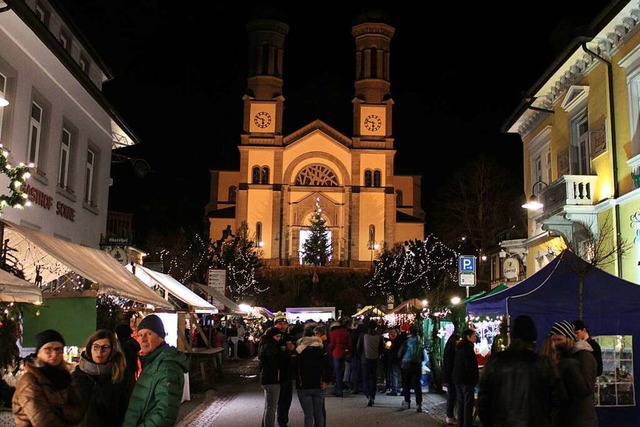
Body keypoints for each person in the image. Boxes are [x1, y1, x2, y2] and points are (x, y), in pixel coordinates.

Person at [478, 315, 567, 427]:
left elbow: (483, 402)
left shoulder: (494, 362)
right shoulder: (544, 364)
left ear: (513, 336)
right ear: (533, 338)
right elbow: (559, 401)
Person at [122, 314, 189, 427]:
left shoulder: (167, 366)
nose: (143, 339)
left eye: (149, 334)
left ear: (161, 336)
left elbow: (165, 414)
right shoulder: (152, 361)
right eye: (140, 335)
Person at [12, 329, 84, 426]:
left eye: (58, 349)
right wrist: (65, 411)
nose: (54, 354)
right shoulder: (30, 380)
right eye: (48, 350)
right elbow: (43, 421)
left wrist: (59, 410)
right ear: (39, 353)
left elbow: (79, 414)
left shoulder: (65, 377)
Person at [72, 329, 135, 427]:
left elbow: (129, 411)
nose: (99, 352)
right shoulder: (78, 375)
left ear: (112, 350)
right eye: (96, 347)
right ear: (90, 348)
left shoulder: (121, 377)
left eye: (105, 347)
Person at [550, 320, 598, 427]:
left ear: (569, 338)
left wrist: (568, 366)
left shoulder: (584, 356)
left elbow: (585, 389)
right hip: (567, 418)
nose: (556, 343)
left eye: (559, 339)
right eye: (553, 340)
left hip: (581, 420)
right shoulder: (564, 357)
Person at [292, 323, 331, 427]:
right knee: (319, 414)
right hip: (319, 385)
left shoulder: (298, 351)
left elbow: (294, 368)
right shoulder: (322, 349)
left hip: (303, 386)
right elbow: (328, 367)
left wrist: (297, 381)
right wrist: (326, 381)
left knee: (308, 415)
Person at [452, 328, 479, 427]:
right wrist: (475, 378)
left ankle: (461, 423)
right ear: (468, 337)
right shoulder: (467, 348)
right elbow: (470, 365)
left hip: (458, 378)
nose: (475, 338)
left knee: (461, 402)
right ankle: (467, 424)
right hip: (466, 379)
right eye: (474, 336)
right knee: (468, 403)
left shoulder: (460, 347)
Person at [273, 311, 295, 427]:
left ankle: (283, 421)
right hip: (276, 374)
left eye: (284, 323)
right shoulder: (272, 338)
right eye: (279, 323)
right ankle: (269, 422)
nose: (282, 326)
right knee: (273, 401)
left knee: (286, 400)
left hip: (288, 373)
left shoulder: (289, 337)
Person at [258, 326, 284, 427]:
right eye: (277, 336)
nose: (279, 339)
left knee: (268, 407)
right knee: (271, 408)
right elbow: (274, 362)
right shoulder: (271, 347)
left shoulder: (263, 344)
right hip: (272, 379)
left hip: (266, 378)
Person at [397, 324, 425, 413]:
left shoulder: (407, 342)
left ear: (410, 332)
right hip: (417, 365)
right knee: (417, 385)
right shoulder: (420, 342)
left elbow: (399, 353)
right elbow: (423, 356)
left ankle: (407, 401)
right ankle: (418, 404)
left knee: (406, 384)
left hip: (406, 365)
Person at [357, 319, 384, 407]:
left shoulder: (363, 335)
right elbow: (381, 348)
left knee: (365, 378)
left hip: (365, 359)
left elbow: (358, 347)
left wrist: (361, 355)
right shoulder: (378, 336)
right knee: (373, 378)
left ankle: (368, 395)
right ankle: (372, 396)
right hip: (375, 359)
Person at [329, 318, 350, 397]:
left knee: (337, 372)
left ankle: (339, 390)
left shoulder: (333, 333)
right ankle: (340, 387)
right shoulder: (345, 332)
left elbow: (332, 344)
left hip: (336, 353)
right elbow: (349, 343)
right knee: (341, 371)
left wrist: (329, 351)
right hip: (343, 353)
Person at [442, 332, 460, 426]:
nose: (459, 342)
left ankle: (450, 416)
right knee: (451, 397)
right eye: (458, 340)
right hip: (451, 377)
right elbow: (449, 365)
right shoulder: (452, 351)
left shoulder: (448, 350)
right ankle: (449, 416)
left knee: (451, 396)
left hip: (449, 376)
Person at [383, 327, 403, 396]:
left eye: (393, 332)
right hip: (396, 359)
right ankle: (396, 387)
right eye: (391, 332)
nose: (392, 334)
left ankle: (394, 389)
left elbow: (387, 349)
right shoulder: (398, 340)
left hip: (394, 359)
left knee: (394, 374)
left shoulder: (392, 341)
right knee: (395, 374)